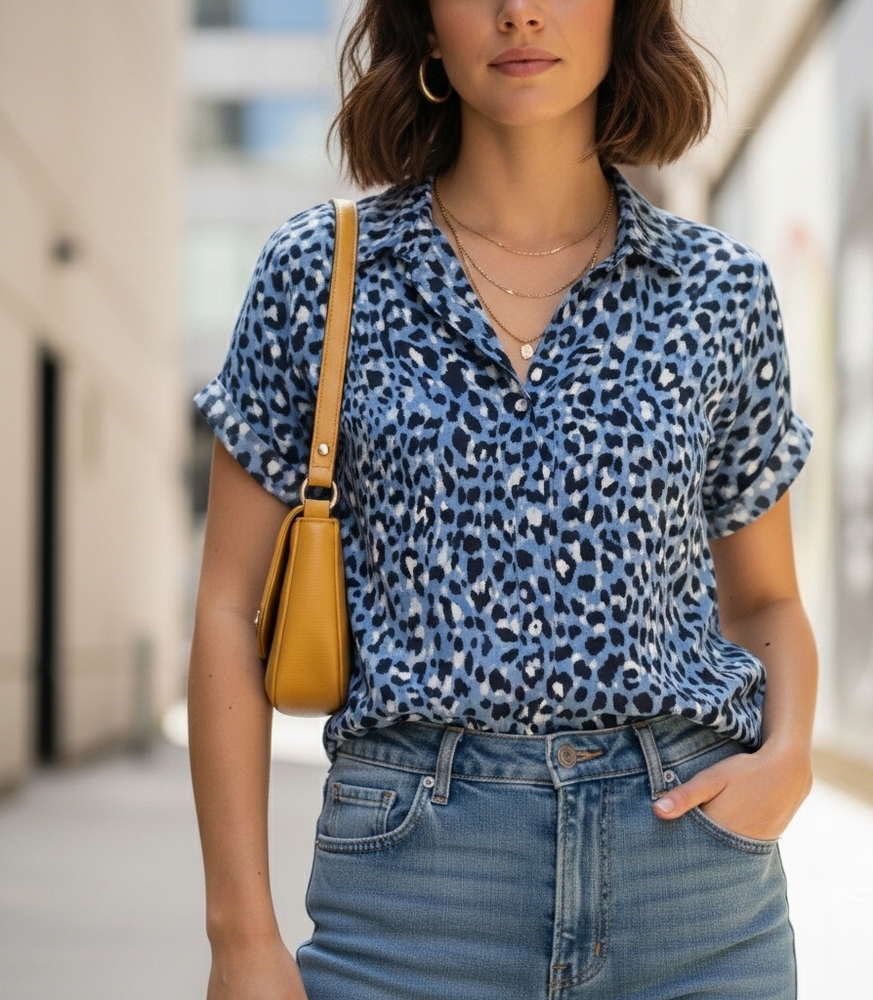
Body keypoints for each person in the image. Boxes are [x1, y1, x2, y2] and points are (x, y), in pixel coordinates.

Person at [188, 1, 818, 998]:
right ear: (425, 26)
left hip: (690, 894)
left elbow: (765, 600)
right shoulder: (319, 275)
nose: (519, 10)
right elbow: (227, 605)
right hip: (411, 899)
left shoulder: (718, 292)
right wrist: (239, 933)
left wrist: (786, 757)